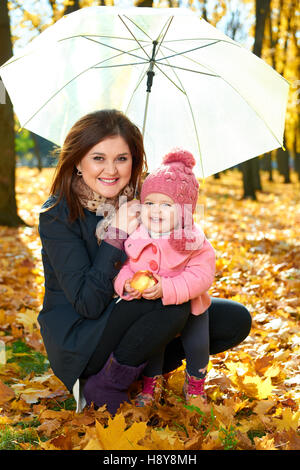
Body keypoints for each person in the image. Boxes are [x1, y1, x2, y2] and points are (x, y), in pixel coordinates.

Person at [38, 109, 252, 415]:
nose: (111, 170)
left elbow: (183, 257)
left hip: (138, 311)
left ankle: (140, 368)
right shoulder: (57, 214)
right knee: (171, 304)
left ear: (135, 161)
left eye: (122, 158)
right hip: (82, 336)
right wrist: (116, 235)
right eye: (98, 158)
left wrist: (176, 225)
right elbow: (88, 304)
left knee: (232, 318)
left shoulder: (146, 200)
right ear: (77, 161)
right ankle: (107, 383)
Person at [113, 148, 215, 407]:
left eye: (166, 205)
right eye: (149, 203)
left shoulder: (192, 240)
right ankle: (151, 384)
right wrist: (124, 283)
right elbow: (127, 266)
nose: (155, 211)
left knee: (197, 344)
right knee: (154, 344)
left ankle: (195, 384)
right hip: (152, 309)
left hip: (190, 306)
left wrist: (168, 288)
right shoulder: (139, 234)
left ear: (183, 211)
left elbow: (202, 276)